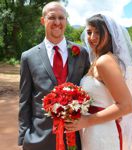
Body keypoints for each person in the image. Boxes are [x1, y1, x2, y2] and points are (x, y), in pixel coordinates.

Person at [18, 2, 90, 150]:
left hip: (74, 136)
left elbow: (89, 89)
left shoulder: (81, 53)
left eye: (61, 18)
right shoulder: (28, 57)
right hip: (38, 137)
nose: (57, 22)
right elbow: (24, 100)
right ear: (43, 20)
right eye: (52, 17)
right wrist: (22, 138)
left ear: (66, 21)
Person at [65, 14, 132, 150]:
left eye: (98, 32)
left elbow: (127, 105)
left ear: (109, 34)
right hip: (94, 129)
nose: (92, 37)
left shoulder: (105, 61)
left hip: (101, 133)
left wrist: (87, 120)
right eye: (89, 32)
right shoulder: (99, 60)